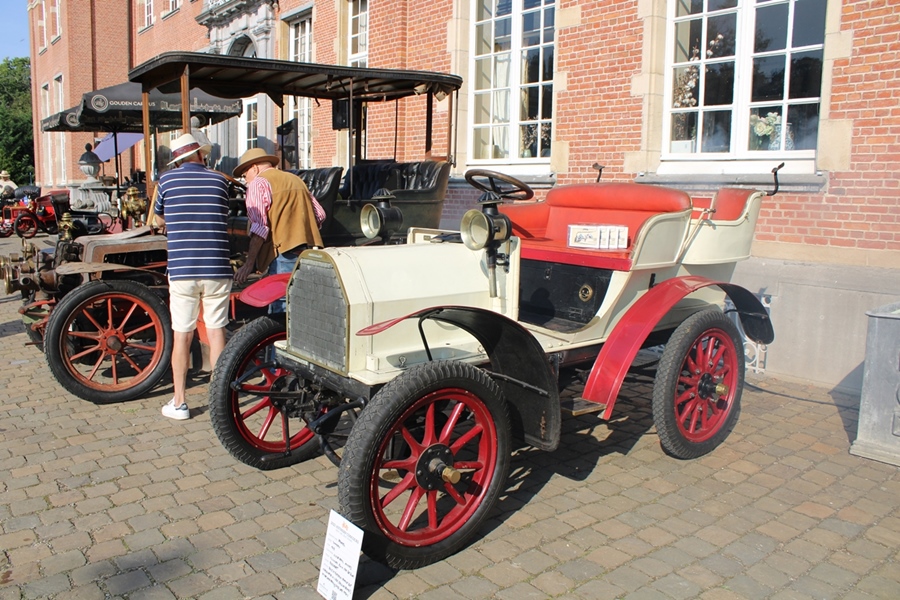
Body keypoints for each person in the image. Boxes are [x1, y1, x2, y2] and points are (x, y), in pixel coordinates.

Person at [153, 133, 232, 420]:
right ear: (200, 154)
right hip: (217, 267)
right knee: (216, 331)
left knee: (182, 335)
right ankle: (220, 400)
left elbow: (159, 219)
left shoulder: (166, 182)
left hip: (183, 269)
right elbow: (222, 214)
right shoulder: (220, 181)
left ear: (178, 160)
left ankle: (179, 402)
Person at [232, 147, 325, 312]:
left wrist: (248, 265)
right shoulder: (296, 180)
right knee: (302, 309)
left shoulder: (258, 184)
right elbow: (320, 215)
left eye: (245, 175)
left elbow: (260, 228)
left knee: (281, 310)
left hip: (281, 255)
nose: (245, 180)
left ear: (254, 168)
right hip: (308, 254)